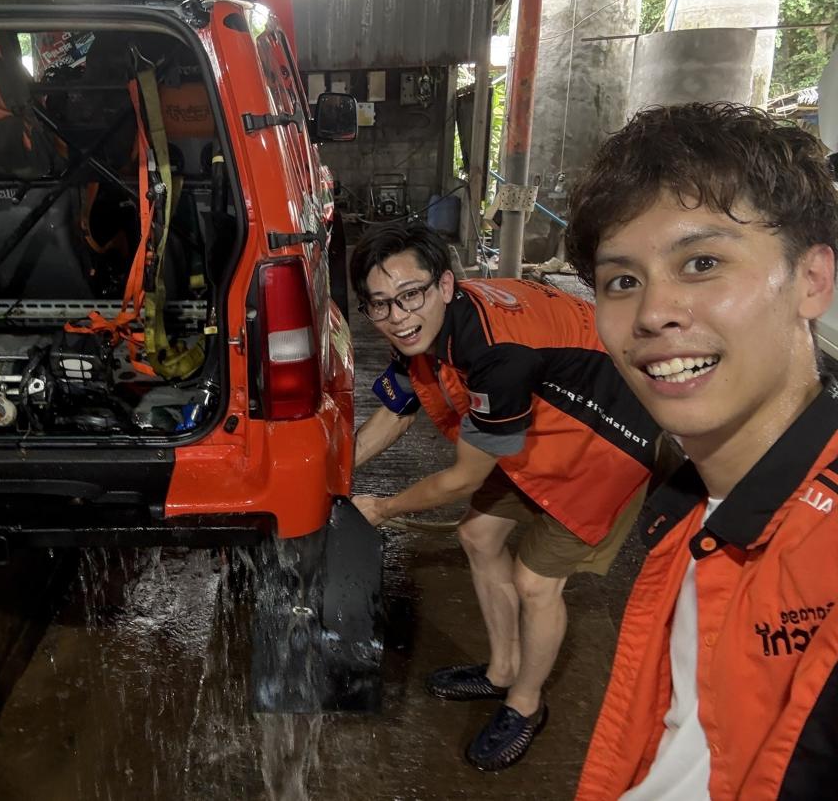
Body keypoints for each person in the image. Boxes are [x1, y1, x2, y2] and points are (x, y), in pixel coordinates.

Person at [566, 102, 838, 800]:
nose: (653, 313)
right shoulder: (689, 511)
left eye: (702, 263)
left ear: (812, 280)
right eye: (622, 281)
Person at [349, 218, 659, 771]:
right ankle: (501, 671)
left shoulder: (495, 356)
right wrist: (329, 475)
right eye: (380, 304)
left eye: (410, 295)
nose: (397, 317)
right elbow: (398, 409)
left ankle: (525, 704)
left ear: (445, 285)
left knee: (535, 581)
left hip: (607, 440)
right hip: (542, 427)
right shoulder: (428, 328)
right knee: (478, 533)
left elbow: (463, 479)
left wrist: (382, 507)